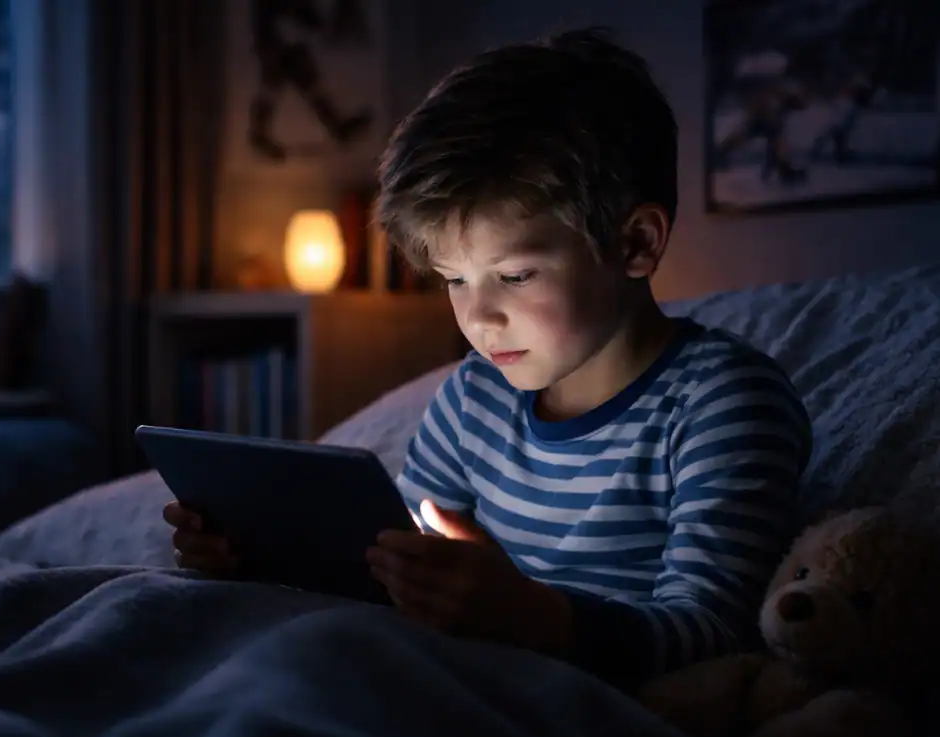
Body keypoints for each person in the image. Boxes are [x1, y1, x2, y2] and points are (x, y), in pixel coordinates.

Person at [163, 27, 812, 693]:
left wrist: (535, 617)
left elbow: (718, 637)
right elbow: (387, 579)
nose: (478, 317)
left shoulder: (723, 404)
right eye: (454, 279)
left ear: (636, 243)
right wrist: (257, 559)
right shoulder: (474, 397)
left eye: (516, 275)